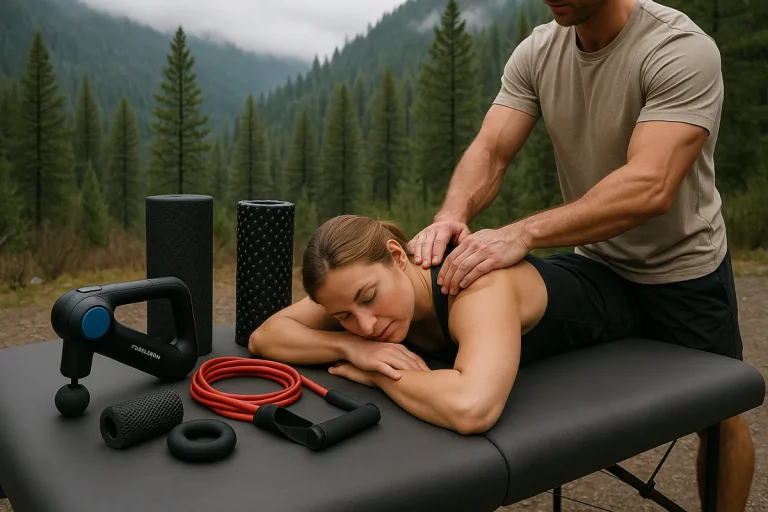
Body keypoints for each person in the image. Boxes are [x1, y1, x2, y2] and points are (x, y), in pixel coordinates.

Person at [407, 0, 754, 510]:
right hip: (596, 266)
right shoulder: (538, 51)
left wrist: (523, 232)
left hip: (682, 269)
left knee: (721, 419)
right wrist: (451, 214)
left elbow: (651, 185)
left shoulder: (678, 48)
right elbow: (492, 149)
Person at [248, 214, 635, 434]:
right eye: (343, 316)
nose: (365, 324)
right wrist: (352, 347)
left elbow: (472, 408)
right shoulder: (350, 290)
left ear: (398, 256)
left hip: (624, 300)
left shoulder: (474, 288)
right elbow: (266, 336)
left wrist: (379, 374)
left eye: (369, 298)